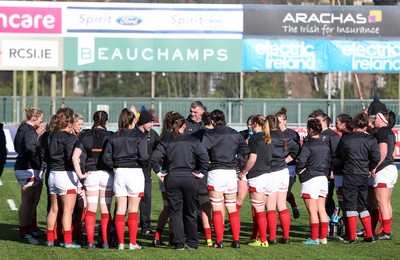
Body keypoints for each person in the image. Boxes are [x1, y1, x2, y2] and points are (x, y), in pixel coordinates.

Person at [150, 112, 209, 250]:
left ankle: (179, 243)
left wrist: (159, 173)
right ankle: (193, 243)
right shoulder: (193, 141)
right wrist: (201, 172)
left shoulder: (166, 141)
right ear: (183, 126)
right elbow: (204, 158)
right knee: (190, 211)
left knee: (175, 211)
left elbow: (153, 159)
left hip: (172, 178)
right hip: (189, 178)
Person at [202, 109, 249, 249]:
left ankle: (219, 241)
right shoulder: (235, 133)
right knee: (231, 207)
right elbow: (245, 150)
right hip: (230, 173)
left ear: (212, 121)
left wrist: (206, 162)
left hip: (216, 172)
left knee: (217, 207)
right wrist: (236, 162)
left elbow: (201, 152)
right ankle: (236, 240)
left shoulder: (209, 134)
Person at [102, 108, 148, 250]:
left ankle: (121, 243)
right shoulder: (140, 136)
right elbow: (145, 157)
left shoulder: (114, 136)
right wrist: (141, 164)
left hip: (119, 172)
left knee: (121, 209)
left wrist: (115, 165)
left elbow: (106, 157)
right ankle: (132, 243)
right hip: (135, 172)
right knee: (133, 209)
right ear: (133, 120)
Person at [336, 112, 380, 244]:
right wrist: (369, 167)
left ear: (354, 124)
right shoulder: (371, 139)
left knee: (350, 206)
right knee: (362, 205)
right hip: (363, 175)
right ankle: (369, 235)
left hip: (350, 174)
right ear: (366, 126)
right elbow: (376, 157)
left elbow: (341, 156)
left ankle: (353, 237)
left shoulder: (347, 139)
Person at [71, 110, 114, 249]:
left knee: (91, 209)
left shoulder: (85, 135)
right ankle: (105, 242)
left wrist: (81, 175)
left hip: (91, 175)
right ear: (106, 122)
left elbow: (74, 157)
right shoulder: (111, 136)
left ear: (93, 121)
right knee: (105, 210)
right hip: (107, 175)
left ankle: (90, 241)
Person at [46, 107, 81, 248]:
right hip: (65, 175)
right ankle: (67, 241)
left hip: (52, 174)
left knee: (53, 209)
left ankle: (49, 239)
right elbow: (70, 157)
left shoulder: (51, 136)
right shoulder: (71, 138)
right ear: (70, 123)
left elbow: (46, 156)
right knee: (67, 210)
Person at [238, 114, 272, 248]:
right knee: (261, 208)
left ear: (256, 124)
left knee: (258, 209)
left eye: (251, 124)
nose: (250, 126)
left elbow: (252, 159)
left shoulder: (254, 138)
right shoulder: (268, 137)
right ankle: (256, 237)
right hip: (268, 175)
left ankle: (263, 240)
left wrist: (243, 172)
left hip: (257, 176)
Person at [265, 114, 299, 245]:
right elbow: (296, 149)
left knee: (271, 206)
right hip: (283, 172)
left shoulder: (266, 137)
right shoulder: (284, 136)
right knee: (282, 205)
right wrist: (285, 161)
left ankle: (272, 237)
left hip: (272, 172)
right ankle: (286, 237)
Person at [296, 118, 330, 245]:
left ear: (310, 129)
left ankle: (314, 238)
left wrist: (300, 171)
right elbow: (328, 161)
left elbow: (301, 161)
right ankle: (323, 237)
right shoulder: (325, 144)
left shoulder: (308, 145)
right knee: (321, 209)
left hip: (311, 178)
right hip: (322, 178)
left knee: (312, 210)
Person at [14, 107, 44, 244]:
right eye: (40, 118)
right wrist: (37, 157)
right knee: (27, 202)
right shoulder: (29, 131)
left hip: (23, 167)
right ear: (34, 118)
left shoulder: (22, 128)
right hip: (28, 168)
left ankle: (29, 228)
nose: (41, 121)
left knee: (30, 202)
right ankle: (24, 230)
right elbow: (30, 149)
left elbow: (16, 147)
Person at [371, 109, 397, 240]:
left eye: (376, 118)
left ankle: (385, 232)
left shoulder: (381, 133)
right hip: (391, 168)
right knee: (386, 202)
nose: (374, 120)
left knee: (381, 202)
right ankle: (384, 229)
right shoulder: (390, 133)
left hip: (383, 170)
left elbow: (383, 152)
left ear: (382, 119)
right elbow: (393, 154)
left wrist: (374, 167)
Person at [191, 111, 215, 247]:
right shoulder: (222, 134)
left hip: (200, 174)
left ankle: (208, 238)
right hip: (217, 173)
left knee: (203, 206)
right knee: (217, 206)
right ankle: (217, 236)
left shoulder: (196, 135)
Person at [135, 110, 160, 235]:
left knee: (147, 198)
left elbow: (158, 150)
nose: (152, 125)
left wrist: (155, 167)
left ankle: (145, 227)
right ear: (143, 122)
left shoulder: (153, 134)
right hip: (132, 170)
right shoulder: (133, 133)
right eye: (150, 122)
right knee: (127, 199)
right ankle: (116, 224)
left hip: (146, 171)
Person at [152, 111, 174, 247]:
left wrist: (159, 172)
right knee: (174, 208)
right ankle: (172, 238)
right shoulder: (172, 137)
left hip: (164, 175)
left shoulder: (162, 137)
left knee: (168, 207)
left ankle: (157, 236)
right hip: (171, 176)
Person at [276, 107, 301, 219]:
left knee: (284, 193)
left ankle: (293, 207)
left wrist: (284, 161)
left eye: (279, 122)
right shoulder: (274, 133)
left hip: (289, 167)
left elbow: (296, 151)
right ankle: (280, 222)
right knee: (276, 195)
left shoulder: (292, 134)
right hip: (276, 168)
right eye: (276, 122)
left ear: (285, 121)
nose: (277, 124)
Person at [316, 112, 340, 218]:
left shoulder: (333, 135)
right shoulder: (316, 134)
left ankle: (329, 217)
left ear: (325, 121)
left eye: (318, 120)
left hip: (327, 171)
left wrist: (332, 170)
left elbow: (336, 155)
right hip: (316, 172)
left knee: (326, 196)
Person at [333, 113, 353, 239]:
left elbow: (341, 159)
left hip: (342, 174)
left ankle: (348, 233)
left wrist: (329, 159)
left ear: (344, 124)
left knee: (344, 204)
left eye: (337, 122)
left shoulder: (345, 139)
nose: (335, 125)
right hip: (348, 174)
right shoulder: (347, 137)